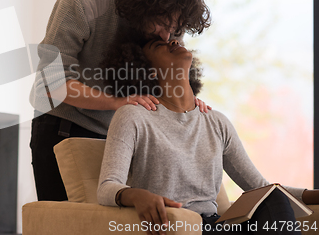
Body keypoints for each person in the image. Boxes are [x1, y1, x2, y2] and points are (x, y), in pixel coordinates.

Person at [96, 34, 319, 234]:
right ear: (149, 71)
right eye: (159, 45)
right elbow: (107, 187)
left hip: (218, 225)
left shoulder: (216, 121)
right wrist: (136, 195)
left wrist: (315, 195)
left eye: (174, 39)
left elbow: (262, 188)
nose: (174, 41)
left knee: (273, 199)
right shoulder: (133, 116)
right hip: (179, 226)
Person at [30, 0, 212, 201]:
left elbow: (167, 78)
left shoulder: (169, 19)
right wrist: (117, 103)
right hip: (65, 129)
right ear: (143, 7)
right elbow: (50, 83)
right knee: (66, 223)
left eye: (175, 28)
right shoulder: (82, 0)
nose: (167, 35)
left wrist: (189, 106)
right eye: (162, 25)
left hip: (122, 137)